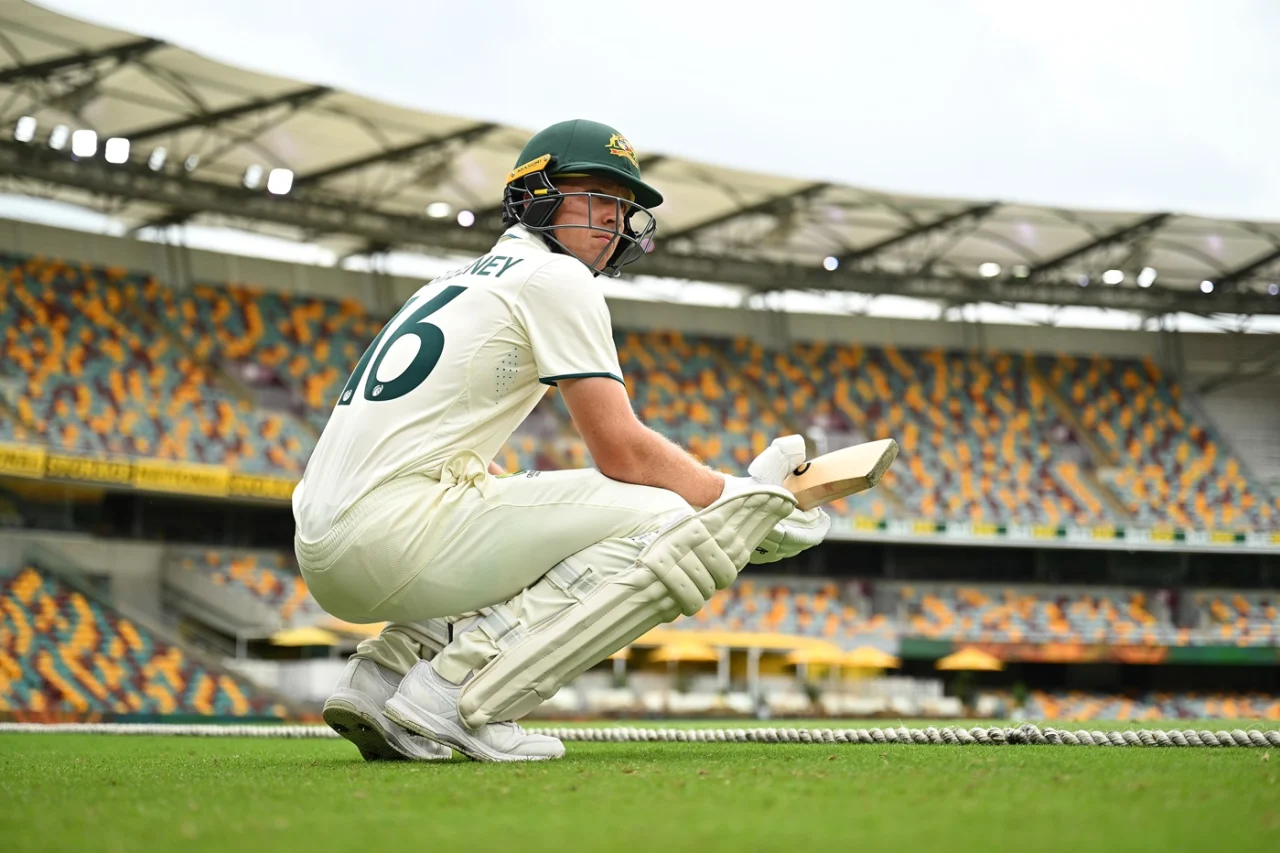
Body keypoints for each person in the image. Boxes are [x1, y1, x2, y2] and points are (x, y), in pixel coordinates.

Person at [292, 119, 831, 762]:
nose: (612, 220)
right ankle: (459, 696)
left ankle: (383, 676)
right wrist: (739, 500)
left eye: (621, 206)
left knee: (540, 511)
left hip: (327, 538)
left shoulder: (454, 278)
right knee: (669, 518)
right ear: (536, 194)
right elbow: (621, 452)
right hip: (387, 536)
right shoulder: (555, 276)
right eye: (595, 197)